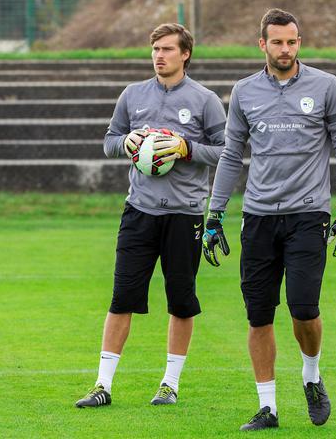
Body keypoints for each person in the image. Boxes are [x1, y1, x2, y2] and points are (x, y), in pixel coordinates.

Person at [201, 8, 336, 431]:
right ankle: (268, 407)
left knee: (304, 307)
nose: (285, 49)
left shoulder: (328, 87)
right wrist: (215, 213)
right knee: (259, 315)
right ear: (262, 45)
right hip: (257, 218)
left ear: (299, 43)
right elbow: (232, 156)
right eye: (277, 42)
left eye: (292, 41)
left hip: (309, 215)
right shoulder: (243, 92)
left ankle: (311, 376)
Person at [74, 23, 226, 407]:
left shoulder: (205, 100)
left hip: (184, 216)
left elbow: (227, 151)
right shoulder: (132, 95)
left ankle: (169, 384)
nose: (159, 56)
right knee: (121, 297)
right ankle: (102, 386)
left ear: (185, 54)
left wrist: (185, 147)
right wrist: (124, 142)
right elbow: (110, 141)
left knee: (181, 301)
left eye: (168, 49)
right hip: (138, 212)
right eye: (155, 49)